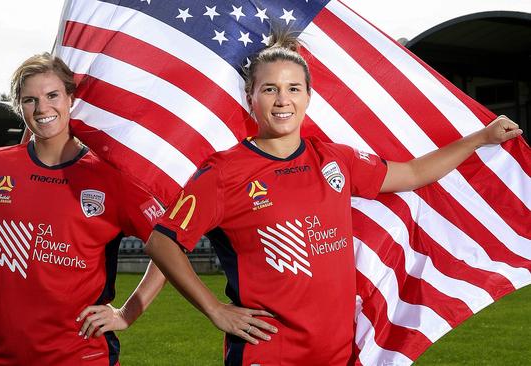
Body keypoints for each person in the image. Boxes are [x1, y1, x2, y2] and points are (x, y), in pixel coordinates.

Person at [143, 30, 523, 365]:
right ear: (250, 97)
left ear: (308, 96)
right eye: (269, 88)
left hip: (336, 352)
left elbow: (412, 173)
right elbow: (163, 242)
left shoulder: (334, 159)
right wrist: (215, 310)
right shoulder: (224, 173)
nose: (282, 100)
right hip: (268, 353)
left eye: (293, 88)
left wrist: (481, 138)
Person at [0, 53, 166, 365]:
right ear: (19, 106)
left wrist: (128, 312)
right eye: (30, 100)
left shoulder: (110, 176)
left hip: (82, 355)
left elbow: (169, 244)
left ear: (71, 98)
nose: (42, 109)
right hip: (2, 356)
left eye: (52, 95)